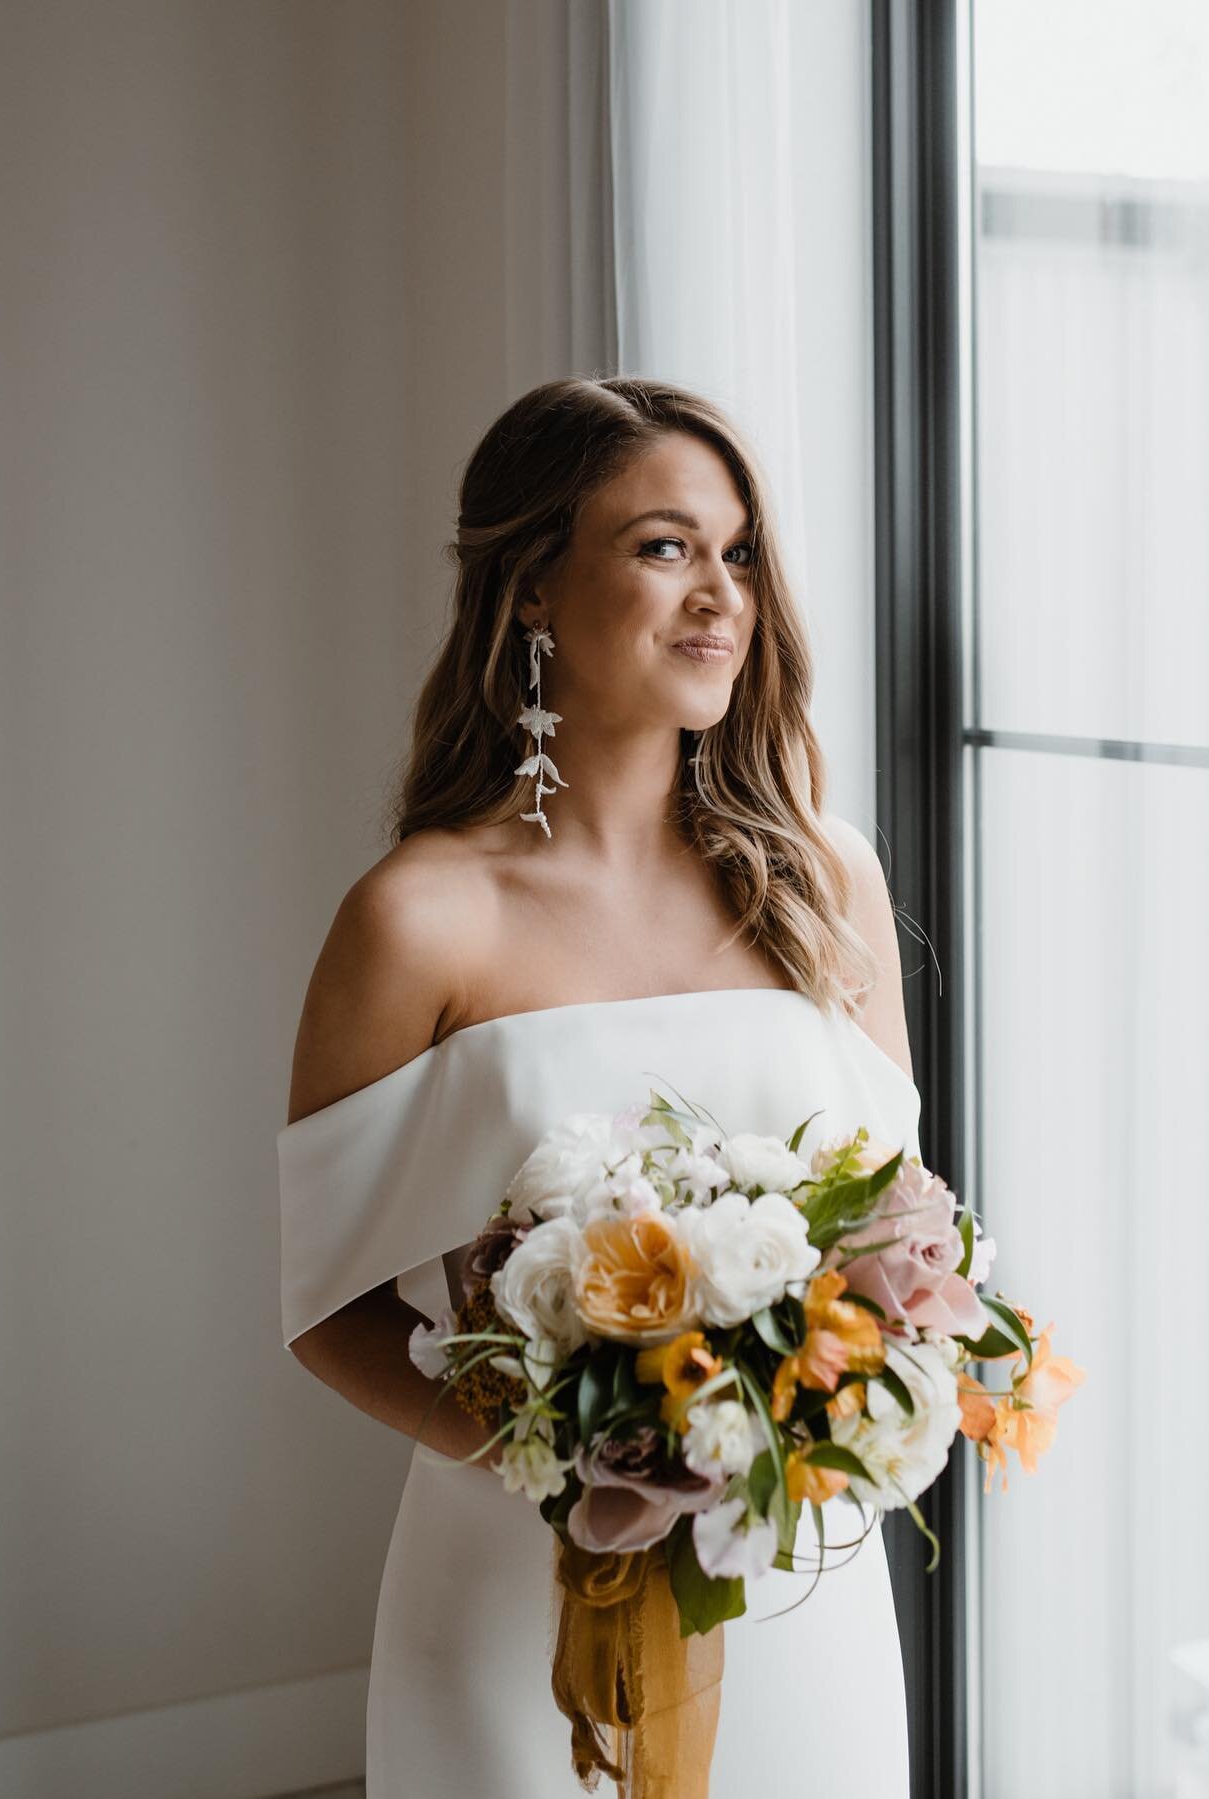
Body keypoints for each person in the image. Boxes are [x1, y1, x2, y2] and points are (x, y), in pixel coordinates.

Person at [277, 375, 921, 1796]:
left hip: (799, 1578)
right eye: (663, 546)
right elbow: (330, 1309)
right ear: (532, 592)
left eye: (739, 551)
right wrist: (568, 1479)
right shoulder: (420, 917)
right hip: (515, 1582)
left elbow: (899, 1221)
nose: (721, 597)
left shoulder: (823, 879)